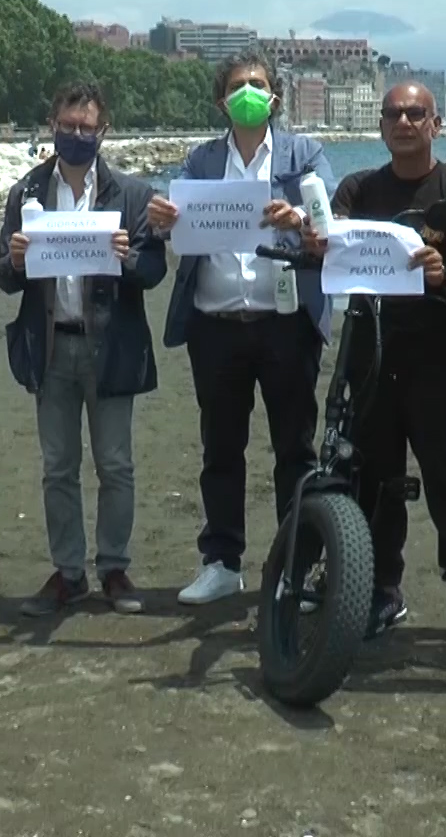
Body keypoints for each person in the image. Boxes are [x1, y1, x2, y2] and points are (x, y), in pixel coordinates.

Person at [148, 50, 334, 606]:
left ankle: (294, 570)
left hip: (287, 323)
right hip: (217, 325)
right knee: (221, 449)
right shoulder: (201, 161)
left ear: (275, 95)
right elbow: (171, 221)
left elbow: (329, 222)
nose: (248, 92)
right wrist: (162, 221)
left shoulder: (306, 154)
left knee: (295, 451)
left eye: (257, 84)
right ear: (220, 100)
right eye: (237, 85)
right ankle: (222, 562)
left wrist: (299, 218)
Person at [317, 81, 446, 650]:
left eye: (417, 113)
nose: (404, 122)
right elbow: (326, 238)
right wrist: (311, 238)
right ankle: (381, 591)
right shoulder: (359, 188)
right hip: (369, 356)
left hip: (437, 360)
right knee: (374, 483)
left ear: (436, 125)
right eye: (393, 114)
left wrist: (445, 277)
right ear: (382, 126)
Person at [0, 81, 167, 617]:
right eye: (67, 126)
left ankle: (113, 566)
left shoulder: (132, 195)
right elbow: (3, 275)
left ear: (103, 131)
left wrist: (126, 258)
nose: (75, 135)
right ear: (52, 125)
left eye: (86, 128)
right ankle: (69, 573)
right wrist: (17, 262)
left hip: (110, 348)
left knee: (116, 464)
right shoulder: (26, 193)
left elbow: (156, 269)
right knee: (57, 467)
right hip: (51, 348)